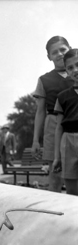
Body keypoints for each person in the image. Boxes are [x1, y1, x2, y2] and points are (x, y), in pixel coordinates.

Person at [31, 36, 73, 192]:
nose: (60, 54)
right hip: (53, 125)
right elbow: (40, 111)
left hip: (74, 124)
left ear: (70, 49)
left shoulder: (75, 74)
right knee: (55, 173)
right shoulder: (44, 80)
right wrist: (36, 140)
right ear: (49, 57)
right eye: (54, 52)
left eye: (63, 49)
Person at [52, 49, 78, 196]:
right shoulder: (62, 97)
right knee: (72, 189)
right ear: (67, 71)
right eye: (70, 68)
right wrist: (57, 157)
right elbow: (58, 129)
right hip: (68, 141)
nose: (75, 70)